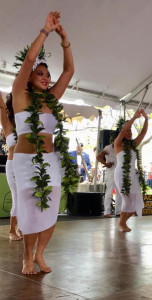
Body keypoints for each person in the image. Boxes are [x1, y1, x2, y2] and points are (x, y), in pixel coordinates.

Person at [12, 11, 74, 274]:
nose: (46, 77)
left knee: (50, 209)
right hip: (25, 161)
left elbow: (69, 71)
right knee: (29, 210)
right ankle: (27, 256)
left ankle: (39, 254)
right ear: (29, 76)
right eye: (40, 73)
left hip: (49, 160)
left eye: (48, 74)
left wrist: (65, 40)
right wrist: (46, 31)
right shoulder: (19, 94)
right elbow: (28, 59)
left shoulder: (50, 100)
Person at [114, 109, 148, 232]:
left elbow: (143, 133)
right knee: (127, 199)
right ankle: (121, 223)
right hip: (121, 173)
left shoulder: (133, 144)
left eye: (130, 131)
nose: (129, 133)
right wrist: (134, 118)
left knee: (135, 202)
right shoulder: (117, 144)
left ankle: (122, 222)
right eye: (127, 131)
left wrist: (146, 119)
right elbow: (123, 130)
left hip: (132, 174)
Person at [0, 93, 22, 241]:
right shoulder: (7, 124)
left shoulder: (27, 122)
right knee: (17, 197)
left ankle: (20, 227)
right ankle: (11, 230)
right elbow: (1, 107)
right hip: (14, 165)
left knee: (27, 197)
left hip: (27, 165)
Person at [97, 140, 122, 218]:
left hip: (119, 171)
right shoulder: (108, 148)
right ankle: (106, 212)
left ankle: (118, 211)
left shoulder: (121, 147)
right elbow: (98, 156)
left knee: (119, 192)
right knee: (109, 191)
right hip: (111, 172)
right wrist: (105, 164)